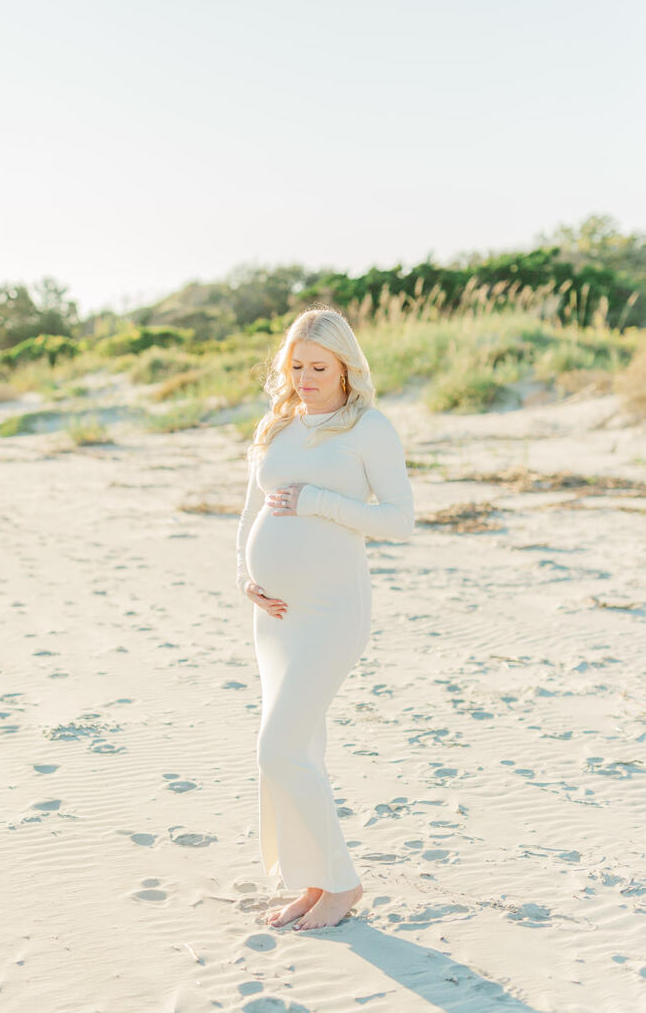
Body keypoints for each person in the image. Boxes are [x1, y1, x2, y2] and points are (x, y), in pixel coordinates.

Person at [235, 306, 414, 930]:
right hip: (274, 615)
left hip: (334, 610)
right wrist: (247, 577)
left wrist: (320, 503)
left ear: (346, 368)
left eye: (318, 367)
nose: (304, 377)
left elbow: (398, 520)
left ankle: (342, 884)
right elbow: (249, 511)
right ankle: (314, 882)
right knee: (299, 748)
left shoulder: (369, 429)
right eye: (295, 365)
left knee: (278, 747)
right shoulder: (275, 425)